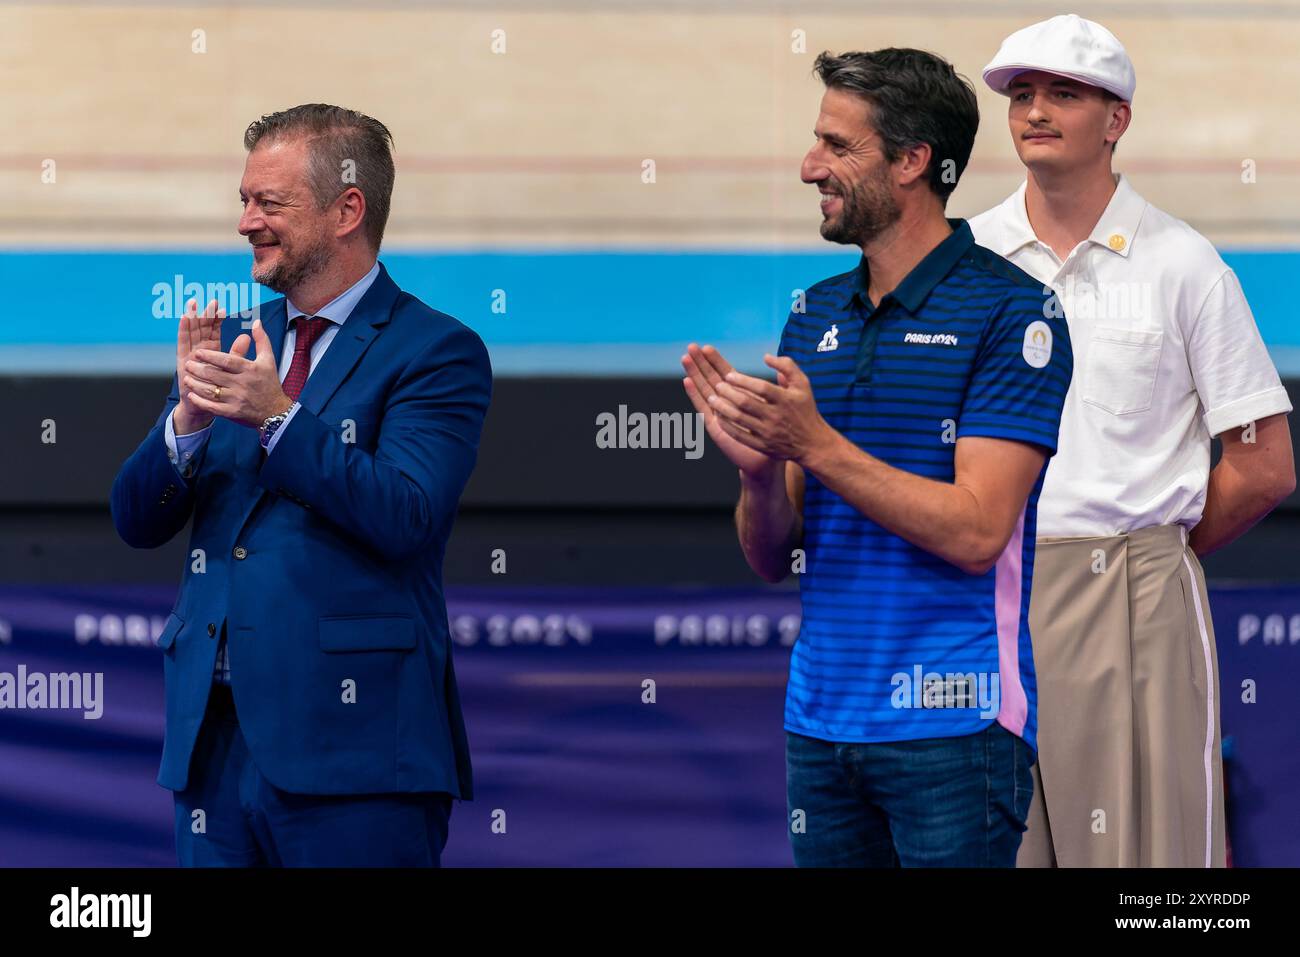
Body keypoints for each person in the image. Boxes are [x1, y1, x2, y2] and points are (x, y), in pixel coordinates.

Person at [682, 48, 1072, 866]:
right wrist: (759, 472)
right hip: (819, 723)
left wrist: (815, 444)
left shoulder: (1014, 312)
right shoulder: (815, 313)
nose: (807, 166)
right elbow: (767, 555)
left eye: (836, 145)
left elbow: (975, 532)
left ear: (911, 161)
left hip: (956, 726)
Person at [110, 104, 491, 866]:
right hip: (213, 750)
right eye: (244, 200)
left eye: (269, 202)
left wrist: (280, 418)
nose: (247, 221)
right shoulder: (243, 339)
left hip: (356, 757)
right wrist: (185, 420)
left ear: (347, 208)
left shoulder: (437, 351)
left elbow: (405, 512)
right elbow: (135, 519)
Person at [970, 14, 1295, 867]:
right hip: (984, 599)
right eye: (1023, 95)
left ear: (1116, 120)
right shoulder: (964, 260)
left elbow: (1264, 466)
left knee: (1149, 876)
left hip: (1136, 594)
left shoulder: (1186, 266)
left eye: (1064, 95)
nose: (1035, 111)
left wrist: (1156, 553)